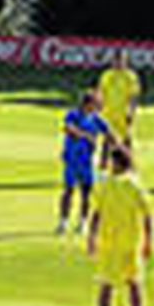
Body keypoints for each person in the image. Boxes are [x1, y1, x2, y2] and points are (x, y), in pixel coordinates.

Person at [88, 145, 153, 306]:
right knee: (133, 285)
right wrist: (148, 241)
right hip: (129, 243)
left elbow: (96, 215)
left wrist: (92, 238)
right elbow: (147, 215)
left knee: (108, 286)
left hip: (111, 243)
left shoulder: (108, 184)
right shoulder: (134, 184)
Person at [57, 92, 112, 234]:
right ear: (88, 104)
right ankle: (63, 222)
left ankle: (83, 222)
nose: (98, 107)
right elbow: (68, 128)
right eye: (96, 103)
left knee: (86, 193)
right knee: (68, 191)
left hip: (87, 161)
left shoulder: (97, 120)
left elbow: (110, 136)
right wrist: (87, 136)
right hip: (72, 160)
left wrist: (105, 158)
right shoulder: (74, 115)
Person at [96, 50, 142, 149]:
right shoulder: (107, 75)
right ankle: (104, 161)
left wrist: (131, 110)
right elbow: (101, 91)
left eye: (121, 61)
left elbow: (133, 95)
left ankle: (128, 160)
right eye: (116, 61)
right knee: (107, 136)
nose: (118, 64)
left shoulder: (130, 76)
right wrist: (99, 106)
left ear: (125, 61)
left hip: (123, 111)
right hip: (109, 111)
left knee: (126, 136)